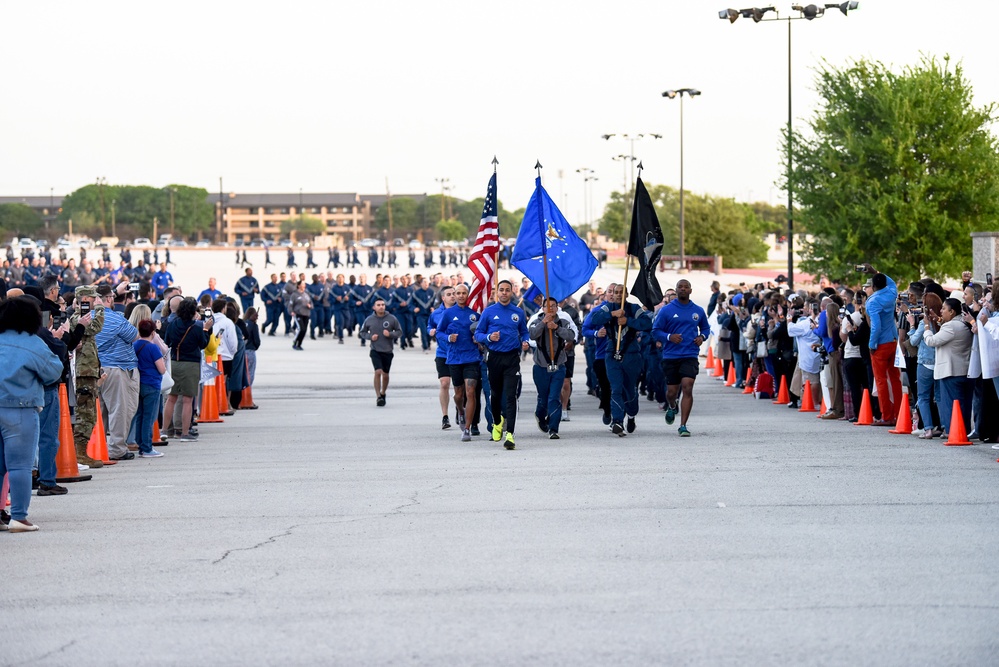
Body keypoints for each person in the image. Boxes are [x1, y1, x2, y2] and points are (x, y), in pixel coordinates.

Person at [0, 297, 63, 532]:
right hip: (20, 408)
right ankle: (19, 516)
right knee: (19, 466)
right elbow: (53, 371)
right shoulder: (32, 343)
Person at [587, 285, 652, 436]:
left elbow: (648, 324)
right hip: (611, 353)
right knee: (615, 388)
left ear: (627, 294)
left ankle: (631, 415)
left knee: (630, 389)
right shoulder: (607, 308)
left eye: (621, 293)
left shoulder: (634, 308)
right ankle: (617, 421)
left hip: (631, 353)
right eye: (615, 292)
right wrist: (612, 314)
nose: (617, 295)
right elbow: (594, 319)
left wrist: (628, 320)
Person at [475, 280, 530, 448]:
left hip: (512, 358)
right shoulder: (489, 312)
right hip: (494, 358)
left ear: (512, 292)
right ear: (497, 292)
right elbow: (478, 333)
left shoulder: (518, 312)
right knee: (496, 394)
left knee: (511, 396)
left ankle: (510, 434)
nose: (505, 293)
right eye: (502, 290)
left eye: (507, 290)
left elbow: (524, 331)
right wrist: (489, 338)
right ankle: (497, 422)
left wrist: (526, 341)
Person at [652, 279, 710, 437]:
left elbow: (705, 327)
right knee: (671, 392)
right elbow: (656, 331)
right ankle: (672, 406)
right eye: (680, 287)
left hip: (690, 354)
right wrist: (669, 337)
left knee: (688, 386)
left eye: (686, 287)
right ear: (676, 291)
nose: (683, 289)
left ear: (691, 290)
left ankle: (683, 425)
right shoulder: (667, 311)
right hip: (671, 355)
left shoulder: (697, 310)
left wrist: (702, 337)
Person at [95, 283, 140, 461]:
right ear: (109, 299)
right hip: (117, 368)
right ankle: (116, 449)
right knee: (119, 410)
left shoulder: (87, 317)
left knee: (100, 411)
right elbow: (134, 336)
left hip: (96, 367)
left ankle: (96, 447)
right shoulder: (115, 318)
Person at [924, 297, 974, 437]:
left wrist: (927, 327)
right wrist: (939, 320)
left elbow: (931, 341)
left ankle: (954, 432)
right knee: (964, 405)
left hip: (950, 372)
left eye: (944, 309)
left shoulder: (950, 326)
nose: (941, 311)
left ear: (952, 311)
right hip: (965, 370)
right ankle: (964, 431)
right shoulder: (964, 323)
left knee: (951, 405)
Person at [163, 298, 212, 441]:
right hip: (191, 364)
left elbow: (167, 342)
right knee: (187, 400)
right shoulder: (196, 327)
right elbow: (203, 344)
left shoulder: (172, 325)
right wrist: (206, 330)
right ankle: (184, 433)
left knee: (171, 398)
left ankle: (165, 430)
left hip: (175, 362)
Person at [528, 297, 575, 439]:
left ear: (557, 308)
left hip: (558, 366)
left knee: (554, 397)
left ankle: (554, 428)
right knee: (543, 398)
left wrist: (556, 328)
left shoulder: (563, 322)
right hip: (541, 366)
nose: (551, 309)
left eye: (553, 306)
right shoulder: (536, 321)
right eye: (547, 306)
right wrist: (543, 323)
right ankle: (540, 415)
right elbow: (532, 334)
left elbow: (571, 336)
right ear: (542, 308)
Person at [441, 284, 482, 443]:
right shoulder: (448, 313)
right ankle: (460, 410)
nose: (461, 295)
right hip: (455, 358)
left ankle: (467, 429)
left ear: (468, 295)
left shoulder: (474, 315)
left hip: (471, 358)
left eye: (464, 293)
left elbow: (480, 331)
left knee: (470, 391)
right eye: (458, 293)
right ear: (455, 295)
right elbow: (439, 332)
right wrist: (448, 338)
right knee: (459, 394)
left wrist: (477, 338)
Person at [862, 263, 903, 425]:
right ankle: (900, 413)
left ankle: (887, 416)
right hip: (893, 339)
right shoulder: (892, 292)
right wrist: (876, 271)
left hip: (880, 343)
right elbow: (891, 282)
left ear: (873, 286)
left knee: (880, 381)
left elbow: (876, 325)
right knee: (895, 379)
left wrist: (872, 344)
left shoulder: (873, 302)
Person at [132, 320, 166, 458]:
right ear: (153, 332)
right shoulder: (153, 348)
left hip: (138, 384)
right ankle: (147, 448)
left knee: (139, 415)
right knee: (149, 417)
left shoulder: (134, 345)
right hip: (152, 384)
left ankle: (140, 444)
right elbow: (162, 369)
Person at [359, 298, 402, 406]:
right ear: (374, 307)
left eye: (383, 304)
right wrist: (370, 337)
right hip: (375, 350)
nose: (381, 306)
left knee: (386, 374)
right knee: (378, 372)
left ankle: (383, 392)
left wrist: (390, 335)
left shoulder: (392, 318)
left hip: (388, 351)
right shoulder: (369, 319)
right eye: (378, 305)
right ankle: (378, 396)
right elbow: (362, 332)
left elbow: (399, 332)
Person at [428, 286, 456, 428]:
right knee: (444, 383)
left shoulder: (461, 311)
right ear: (443, 298)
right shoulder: (437, 313)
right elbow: (430, 325)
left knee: (459, 388)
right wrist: (431, 331)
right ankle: (445, 416)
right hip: (443, 353)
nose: (453, 296)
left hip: (458, 353)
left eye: (454, 294)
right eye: (449, 294)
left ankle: (460, 409)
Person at [242, 307, 260, 409]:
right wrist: (255, 347)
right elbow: (257, 341)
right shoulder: (253, 325)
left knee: (243, 375)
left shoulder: (243, 323)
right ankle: (248, 398)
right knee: (250, 376)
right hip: (250, 351)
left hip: (242, 351)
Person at [288, 280, 312, 350]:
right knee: (301, 329)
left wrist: (310, 306)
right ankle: (295, 342)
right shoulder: (294, 294)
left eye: (304, 284)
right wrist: (291, 311)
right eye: (302, 284)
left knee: (304, 330)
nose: (304, 285)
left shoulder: (306, 294)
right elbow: (290, 305)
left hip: (306, 314)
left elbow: (311, 303)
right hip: (298, 314)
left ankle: (299, 344)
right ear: (298, 285)